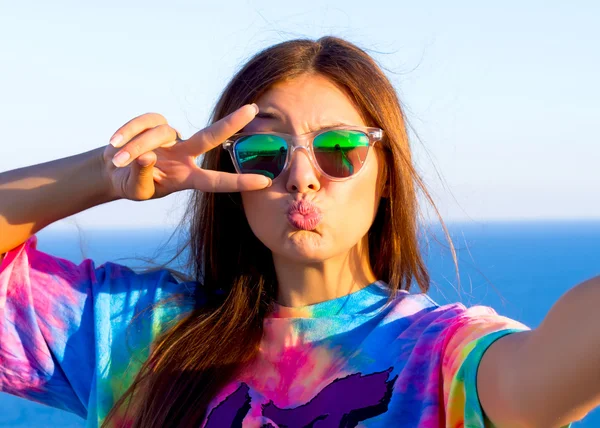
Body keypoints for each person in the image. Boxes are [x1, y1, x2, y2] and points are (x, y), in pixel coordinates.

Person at [0, 36, 597, 428]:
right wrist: (103, 175)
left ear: (387, 175)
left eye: (339, 148)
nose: (301, 176)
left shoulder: (437, 355)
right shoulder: (134, 329)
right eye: (264, 152)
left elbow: (546, 370)